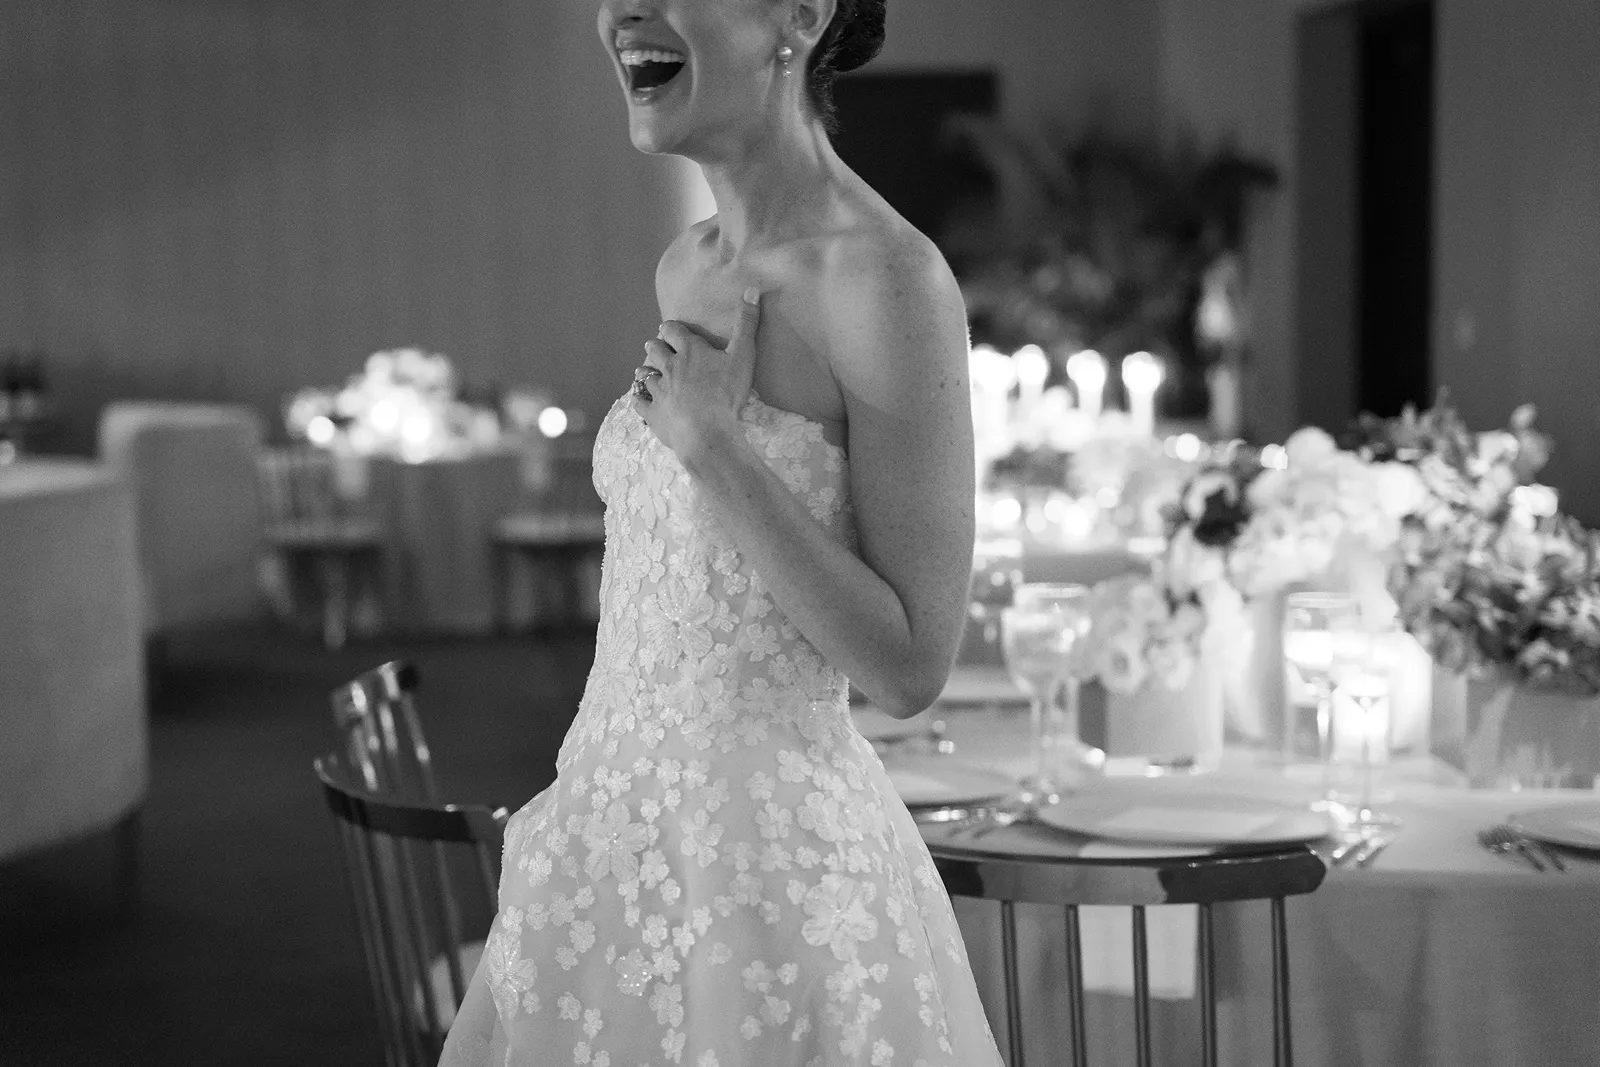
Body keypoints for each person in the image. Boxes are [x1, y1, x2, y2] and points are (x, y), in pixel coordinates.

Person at [439, 0, 1002, 1063]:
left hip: (772, 884)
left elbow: (912, 661)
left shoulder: (886, 278)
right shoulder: (686, 266)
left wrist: (719, 450)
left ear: (801, 12)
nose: (620, 13)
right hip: (607, 842)